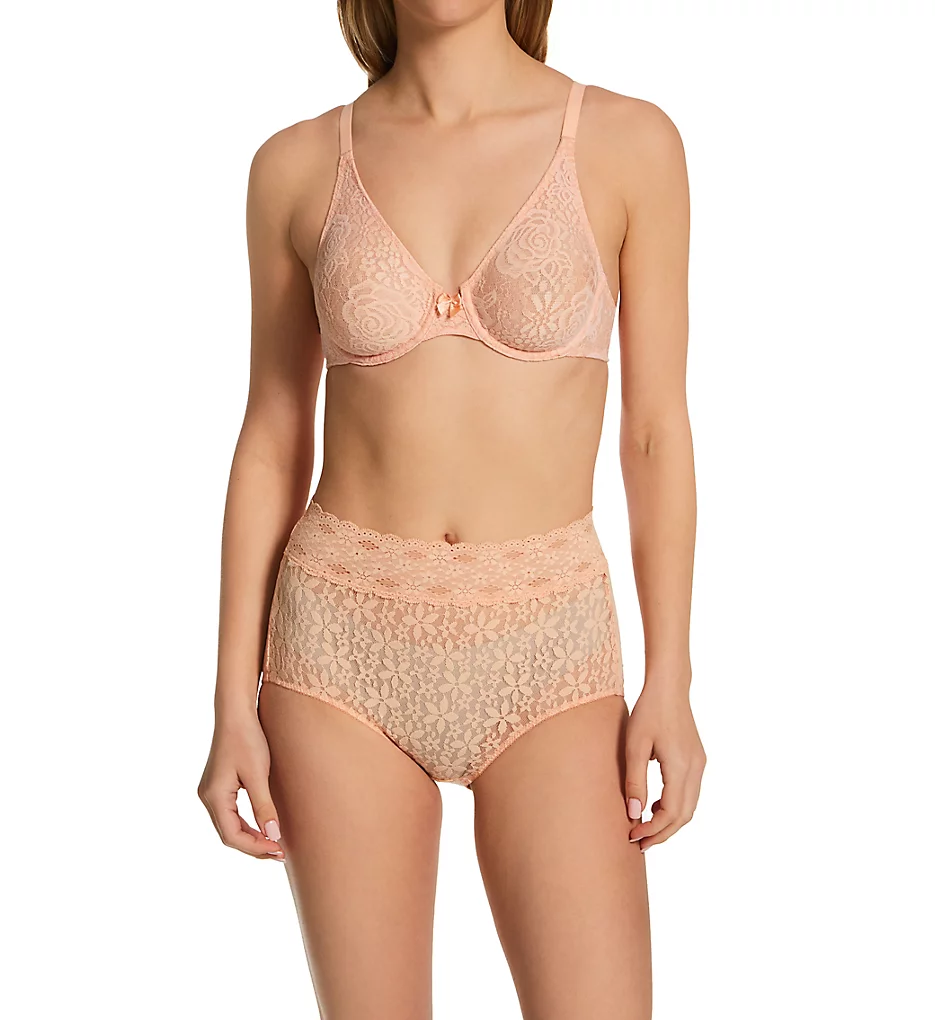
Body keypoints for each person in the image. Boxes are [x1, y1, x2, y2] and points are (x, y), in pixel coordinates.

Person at [198, 1, 704, 1016]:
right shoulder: (294, 166)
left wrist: (671, 679)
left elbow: (653, 433)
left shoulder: (627, 142)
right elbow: (271, 437)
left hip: (548, 648)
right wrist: (227, 704)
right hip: (338, 646)